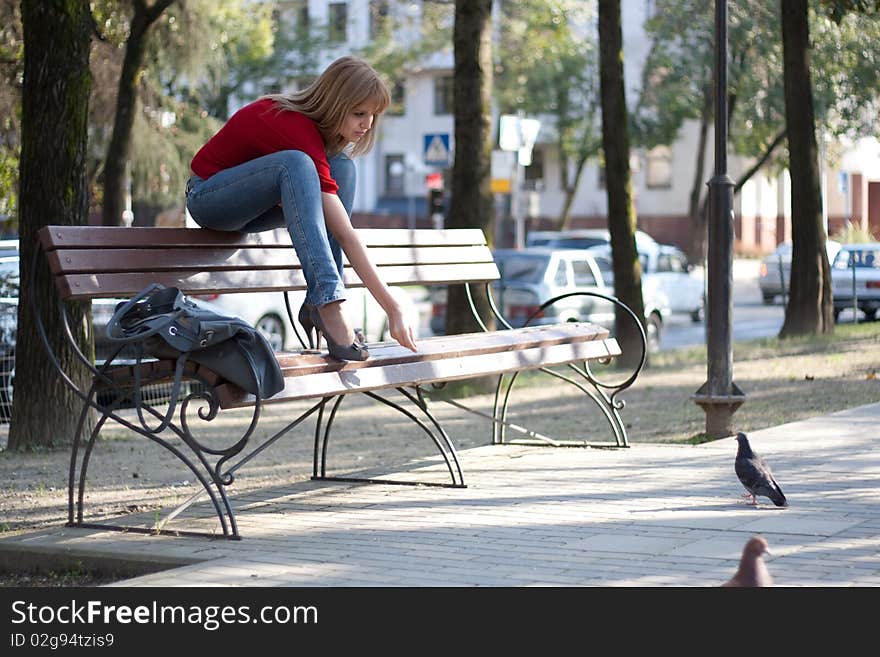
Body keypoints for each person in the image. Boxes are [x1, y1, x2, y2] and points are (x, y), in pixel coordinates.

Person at [185, 56, 418, 361]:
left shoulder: (318, 142)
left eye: (373, 114)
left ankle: (318, 302)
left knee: (342, 167)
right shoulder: (292, 125)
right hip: (209, 197)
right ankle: (329, 304)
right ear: (334, 104)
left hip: (252, 209)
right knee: (295, 162)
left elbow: (337, 228)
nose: (367, 123)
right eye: (359, 113)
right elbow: (346, 235)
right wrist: (392, 306)